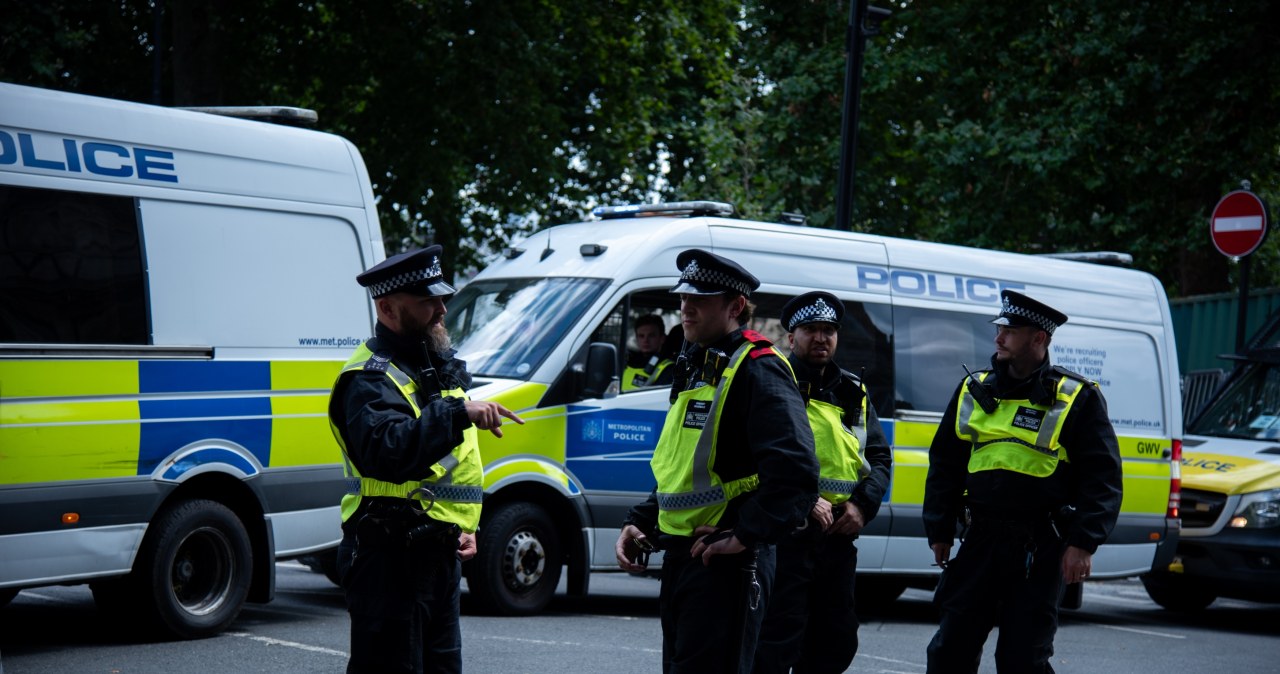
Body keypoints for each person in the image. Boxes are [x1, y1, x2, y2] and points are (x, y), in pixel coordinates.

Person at [615, 249, 819, 674]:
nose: (685, 308)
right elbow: (683, 468)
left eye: (700, 299)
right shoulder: (696, 363)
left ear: (735, 307)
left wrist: (745, 535)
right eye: (684, 297)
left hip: (726, 565)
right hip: (684, 560)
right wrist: (643, 519)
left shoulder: (757, 367)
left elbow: (796, 472)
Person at [328, 245, 524, 674]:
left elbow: (452, 465)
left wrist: (465, 523)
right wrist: (458, 414)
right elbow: (389, 452)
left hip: (438, 550)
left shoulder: (432, 367)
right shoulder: (369, 377)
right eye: (428, 301)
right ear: (388, 308)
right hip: (387, 555)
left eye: (442, 299)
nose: (441, 309)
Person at [922, 290, 1122, 673]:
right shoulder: (973, 389)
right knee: (950, 651)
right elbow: (945, 464)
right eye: (1000, 329)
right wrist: (940, 529)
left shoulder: (1076, 397)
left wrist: (1083, 542)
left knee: (1022, 658)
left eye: (1010, 331)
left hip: (1041, 545)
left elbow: (1103, 477)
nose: (999, 338)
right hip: (980, 539)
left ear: (1039, 339)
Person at [754, 292, 892, 674]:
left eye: (829, 330)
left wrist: (862, 505)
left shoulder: (852, 391)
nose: (821, 338)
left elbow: (879, 458)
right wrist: (802, 499)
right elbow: (754, 455)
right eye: (811, 329)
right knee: (776, 642)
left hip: (836, 541)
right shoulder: (771, 380)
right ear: (790, 336)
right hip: (786, 538)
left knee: (836, 642)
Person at [622, 314, 670, 391]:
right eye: (641, 336)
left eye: (651, 336)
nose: (646, 340)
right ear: (637, 338)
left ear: (662, 338)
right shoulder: (626, 362)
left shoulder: (668, 369)